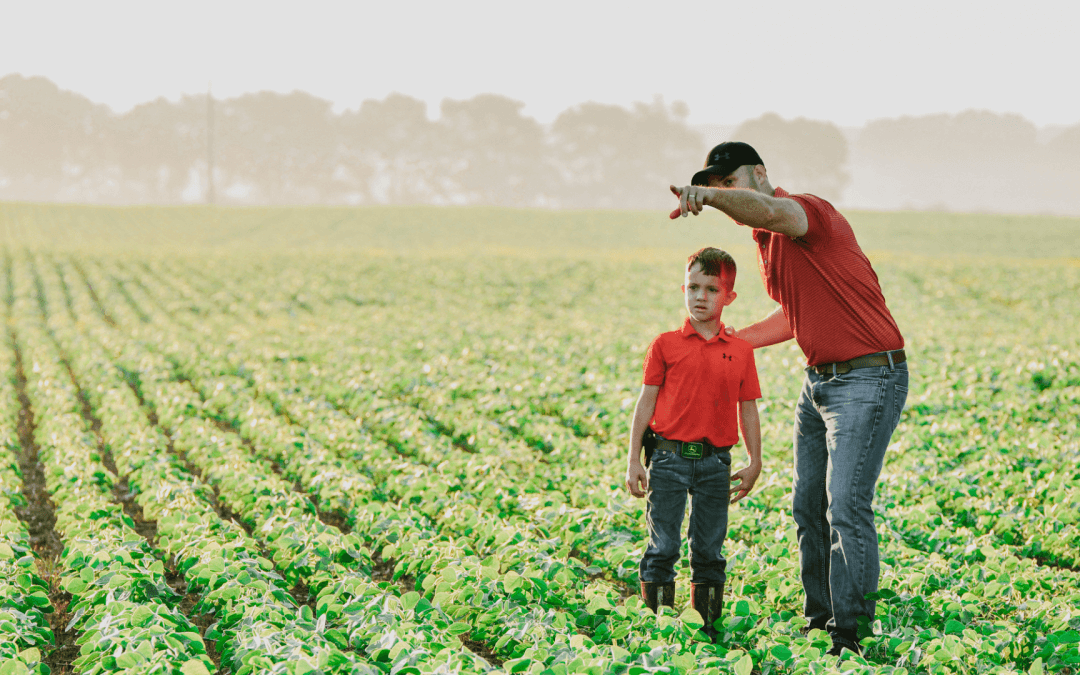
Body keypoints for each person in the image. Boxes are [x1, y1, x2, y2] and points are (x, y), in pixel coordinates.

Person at [669, 141, 909, 656]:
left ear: (758, 174)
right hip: (819, 382)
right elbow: (792, 314)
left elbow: (773, 210)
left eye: (728, 183)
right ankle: (820, 620)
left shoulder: (803, 212)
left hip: (868, 377)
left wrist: (705, 198)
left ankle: (852, 632)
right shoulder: (765, 242)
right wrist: (734, 341)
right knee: (807, 506)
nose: (723, 193)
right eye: (714, 185)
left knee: (845, 504)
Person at [625, 246, 763, 643]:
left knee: (708, 550)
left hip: (715, 464)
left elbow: (748, 408)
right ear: (683, 290)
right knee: (663, 545)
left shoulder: (740, 350)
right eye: (693, 287)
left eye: (711, 289)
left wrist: (755, 461)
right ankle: (659, 631)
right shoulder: (665, 344)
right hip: (667, 459)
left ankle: (705, 631)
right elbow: (645, 402)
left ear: (729, 297)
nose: (700, 296)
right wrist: (634, 458)